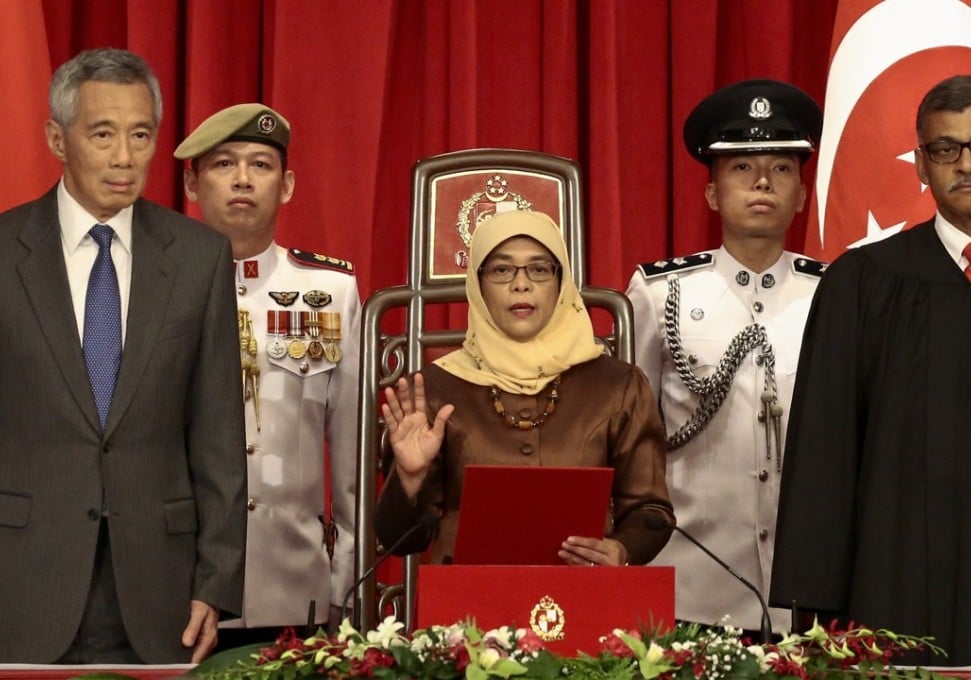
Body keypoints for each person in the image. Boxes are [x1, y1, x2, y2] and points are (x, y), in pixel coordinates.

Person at [0, 48, 246, 664]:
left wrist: (216, 582)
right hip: (21, 579)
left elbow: (218, 433)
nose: (124, 157)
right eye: (103, 134)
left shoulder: (199, 257)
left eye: (141, 135)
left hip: (160, 590)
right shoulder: (4, 251)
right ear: (57, 138)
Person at [770, 74, 971, 665]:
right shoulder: (861, 282)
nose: (966, 164)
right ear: (921, 165)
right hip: (893, 584)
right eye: (945, 148)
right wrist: (814, 602)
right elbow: (825, 455)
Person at [626, 79, 824, 635]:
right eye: (742, 167)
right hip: (689, 581)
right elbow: (628, 431)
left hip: (803, 586)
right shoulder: (660, 293)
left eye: (781, 168)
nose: (762, 181)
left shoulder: (833, 294)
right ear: (712, 194)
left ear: (801, 195)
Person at [374, 210, 675, 566]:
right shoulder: (434, 389)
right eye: (502, 270)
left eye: (539, 269)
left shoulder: (618, 385)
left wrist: (622, 549)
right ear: (478, 285)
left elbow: (651, 511)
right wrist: (410, 478)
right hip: (467, 599)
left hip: (584, 593)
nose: (521, 284)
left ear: (561, 282)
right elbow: (399, 539)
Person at [174, 104, 361, 646]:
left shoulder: (330, 293)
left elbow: (349, 457)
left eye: (260, 164)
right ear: (192, 184)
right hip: (177, 587)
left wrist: (344, 586)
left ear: (287, 185)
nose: (242, 179)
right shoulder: (151, 290)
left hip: (293, 584)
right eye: (223, 164)